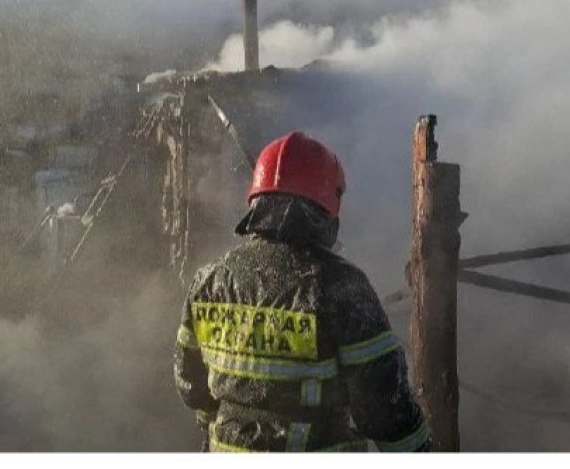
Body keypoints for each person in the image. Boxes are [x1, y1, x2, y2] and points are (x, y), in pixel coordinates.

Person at [173, 131, 431, 452]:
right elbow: (383, 411)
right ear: (326, 206)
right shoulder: (342, 287)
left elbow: (191, 386)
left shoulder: (208, 282)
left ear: (256, 201)